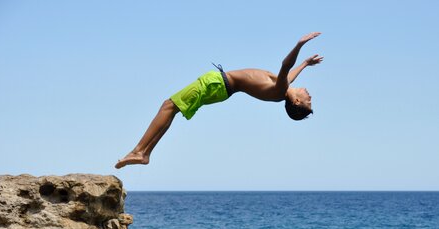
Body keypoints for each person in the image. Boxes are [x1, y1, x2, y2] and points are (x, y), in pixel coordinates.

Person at [115, 32, 323, 168]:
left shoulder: (280, 91)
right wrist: (305, 63)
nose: (310, 96)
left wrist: (299, 45)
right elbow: (289, 75)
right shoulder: (282, 90)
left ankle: (140, 151)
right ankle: (144, 152)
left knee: (169, 106)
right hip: (220, 86)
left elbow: (285, 66)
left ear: (296, 102)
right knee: (171, 108)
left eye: (308, 101)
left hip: (217, 84)